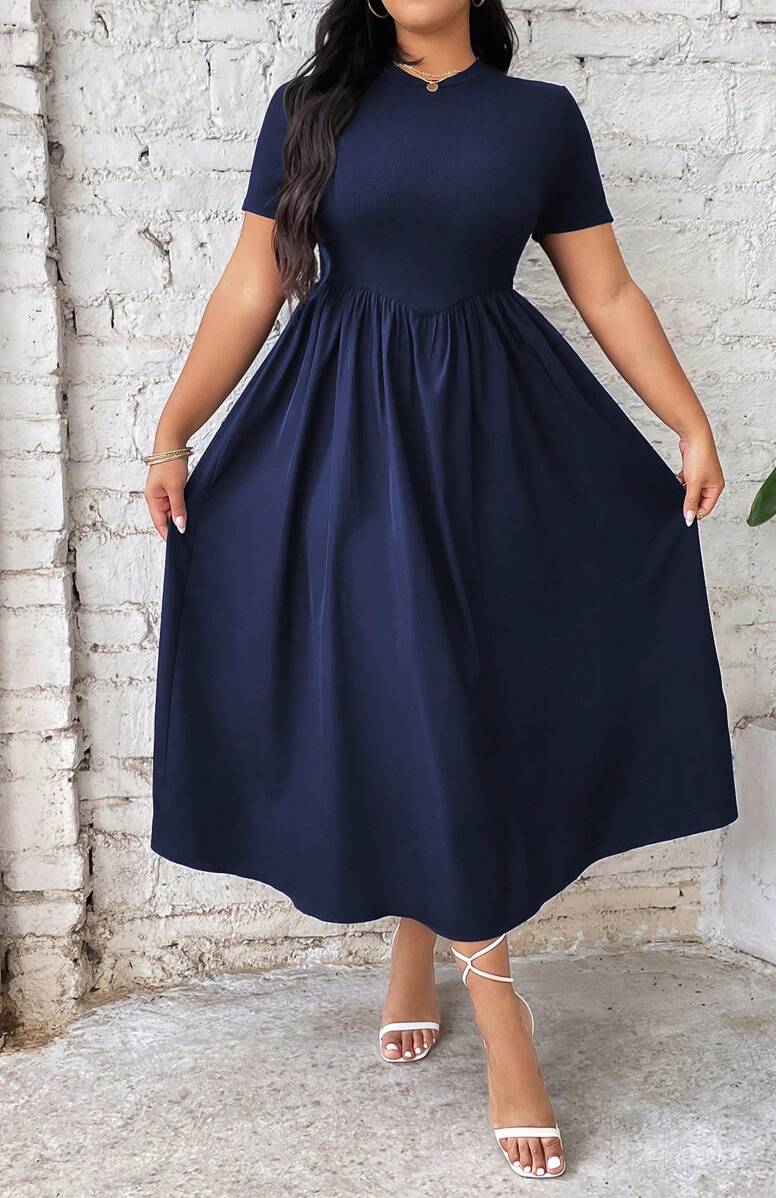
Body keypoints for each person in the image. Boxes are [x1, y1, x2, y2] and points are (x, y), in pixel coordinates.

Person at [145, 0, 738, 1180]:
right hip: (344, 438)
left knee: (467, 697)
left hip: (494, 436)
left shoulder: (538, 119)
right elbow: (252, 285)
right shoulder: (310, 110)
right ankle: (500, 1007)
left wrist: (688, 421)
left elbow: (607, 291)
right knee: (413, 687)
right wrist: (173, 432)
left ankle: (419, 940)